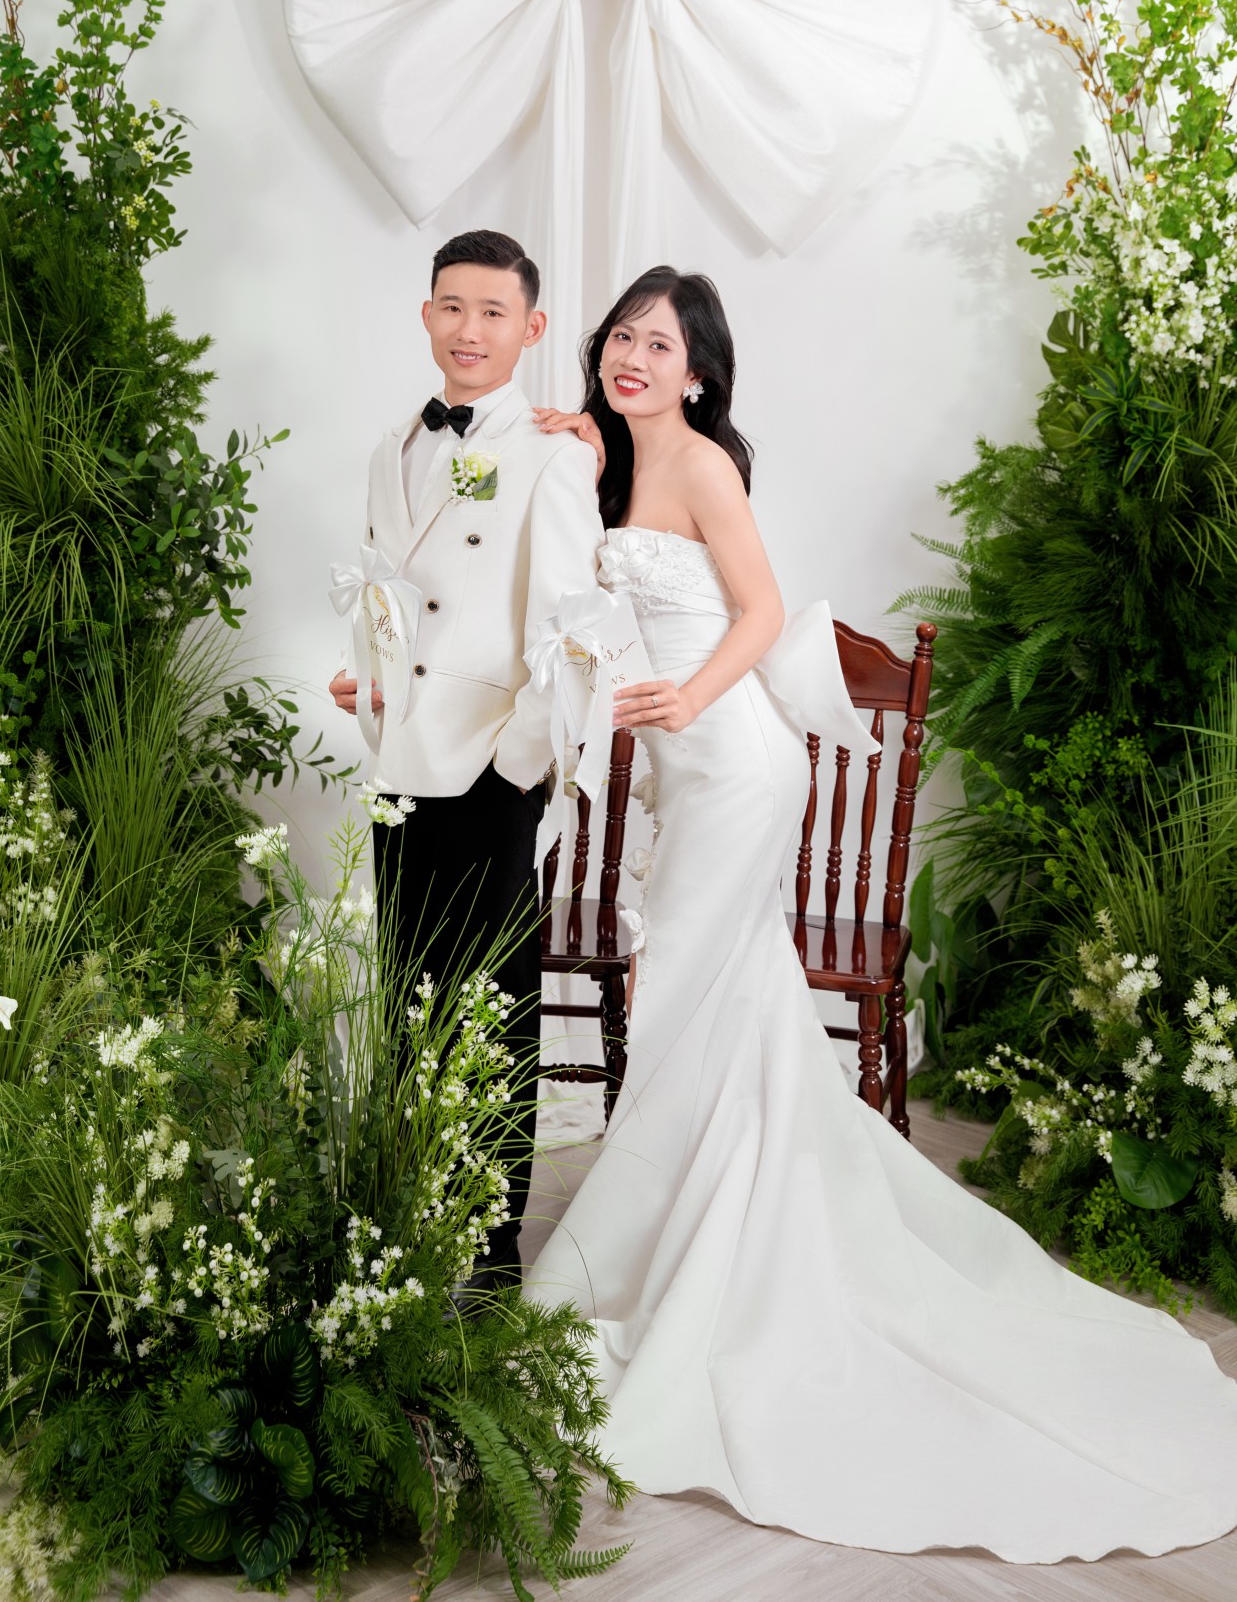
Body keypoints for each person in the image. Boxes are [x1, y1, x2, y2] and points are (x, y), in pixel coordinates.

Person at [527, 264, 1237, 1562]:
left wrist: (688, 699)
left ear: (699, 371)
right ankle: (689, 1238)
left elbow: (760, 612)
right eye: (621, 336)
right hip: (693, 780)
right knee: (709, 998)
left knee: (679, 988)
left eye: (659, 345)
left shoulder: (701, 464)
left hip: (738, 768)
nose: (633, 357)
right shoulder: (619, 463)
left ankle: (677, 1263)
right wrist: (582, 449)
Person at [330, 228, 603, 1291]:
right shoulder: (390, 446)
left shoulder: (552, 455)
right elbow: (392, 598)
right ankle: (409, 1217)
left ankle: (489, 1253)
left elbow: (571, 633)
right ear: (426, 314)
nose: (470, 329)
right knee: (408, 998)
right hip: (401, 761)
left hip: (489, 767)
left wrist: (516, 765)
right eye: (452, 306)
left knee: (489, 1011)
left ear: (532, 328)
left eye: (494, 311)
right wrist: (373, 687)